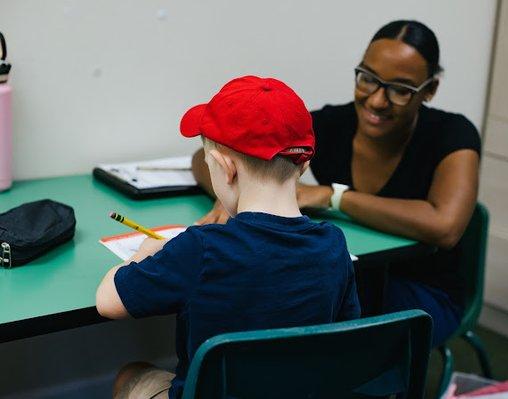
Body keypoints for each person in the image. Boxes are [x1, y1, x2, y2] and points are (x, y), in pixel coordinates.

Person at [192, 20, 480, 348]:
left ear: (429, 90)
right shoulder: (332, 124)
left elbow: (446, 225)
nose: (376, 101)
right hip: (350, 277)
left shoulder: (453, 134)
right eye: (368, 79)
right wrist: (235, 192)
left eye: (400, 90)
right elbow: (207, 156)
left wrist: (333, 197)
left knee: (315, 326)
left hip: (423, 291)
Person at [96, 76, 360, 399]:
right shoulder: (333, 244)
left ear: (225, 168)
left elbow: (107, 301)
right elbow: (345, 337)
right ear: (303, 165)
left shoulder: (201, 248)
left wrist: (145, 254)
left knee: (129, 376)